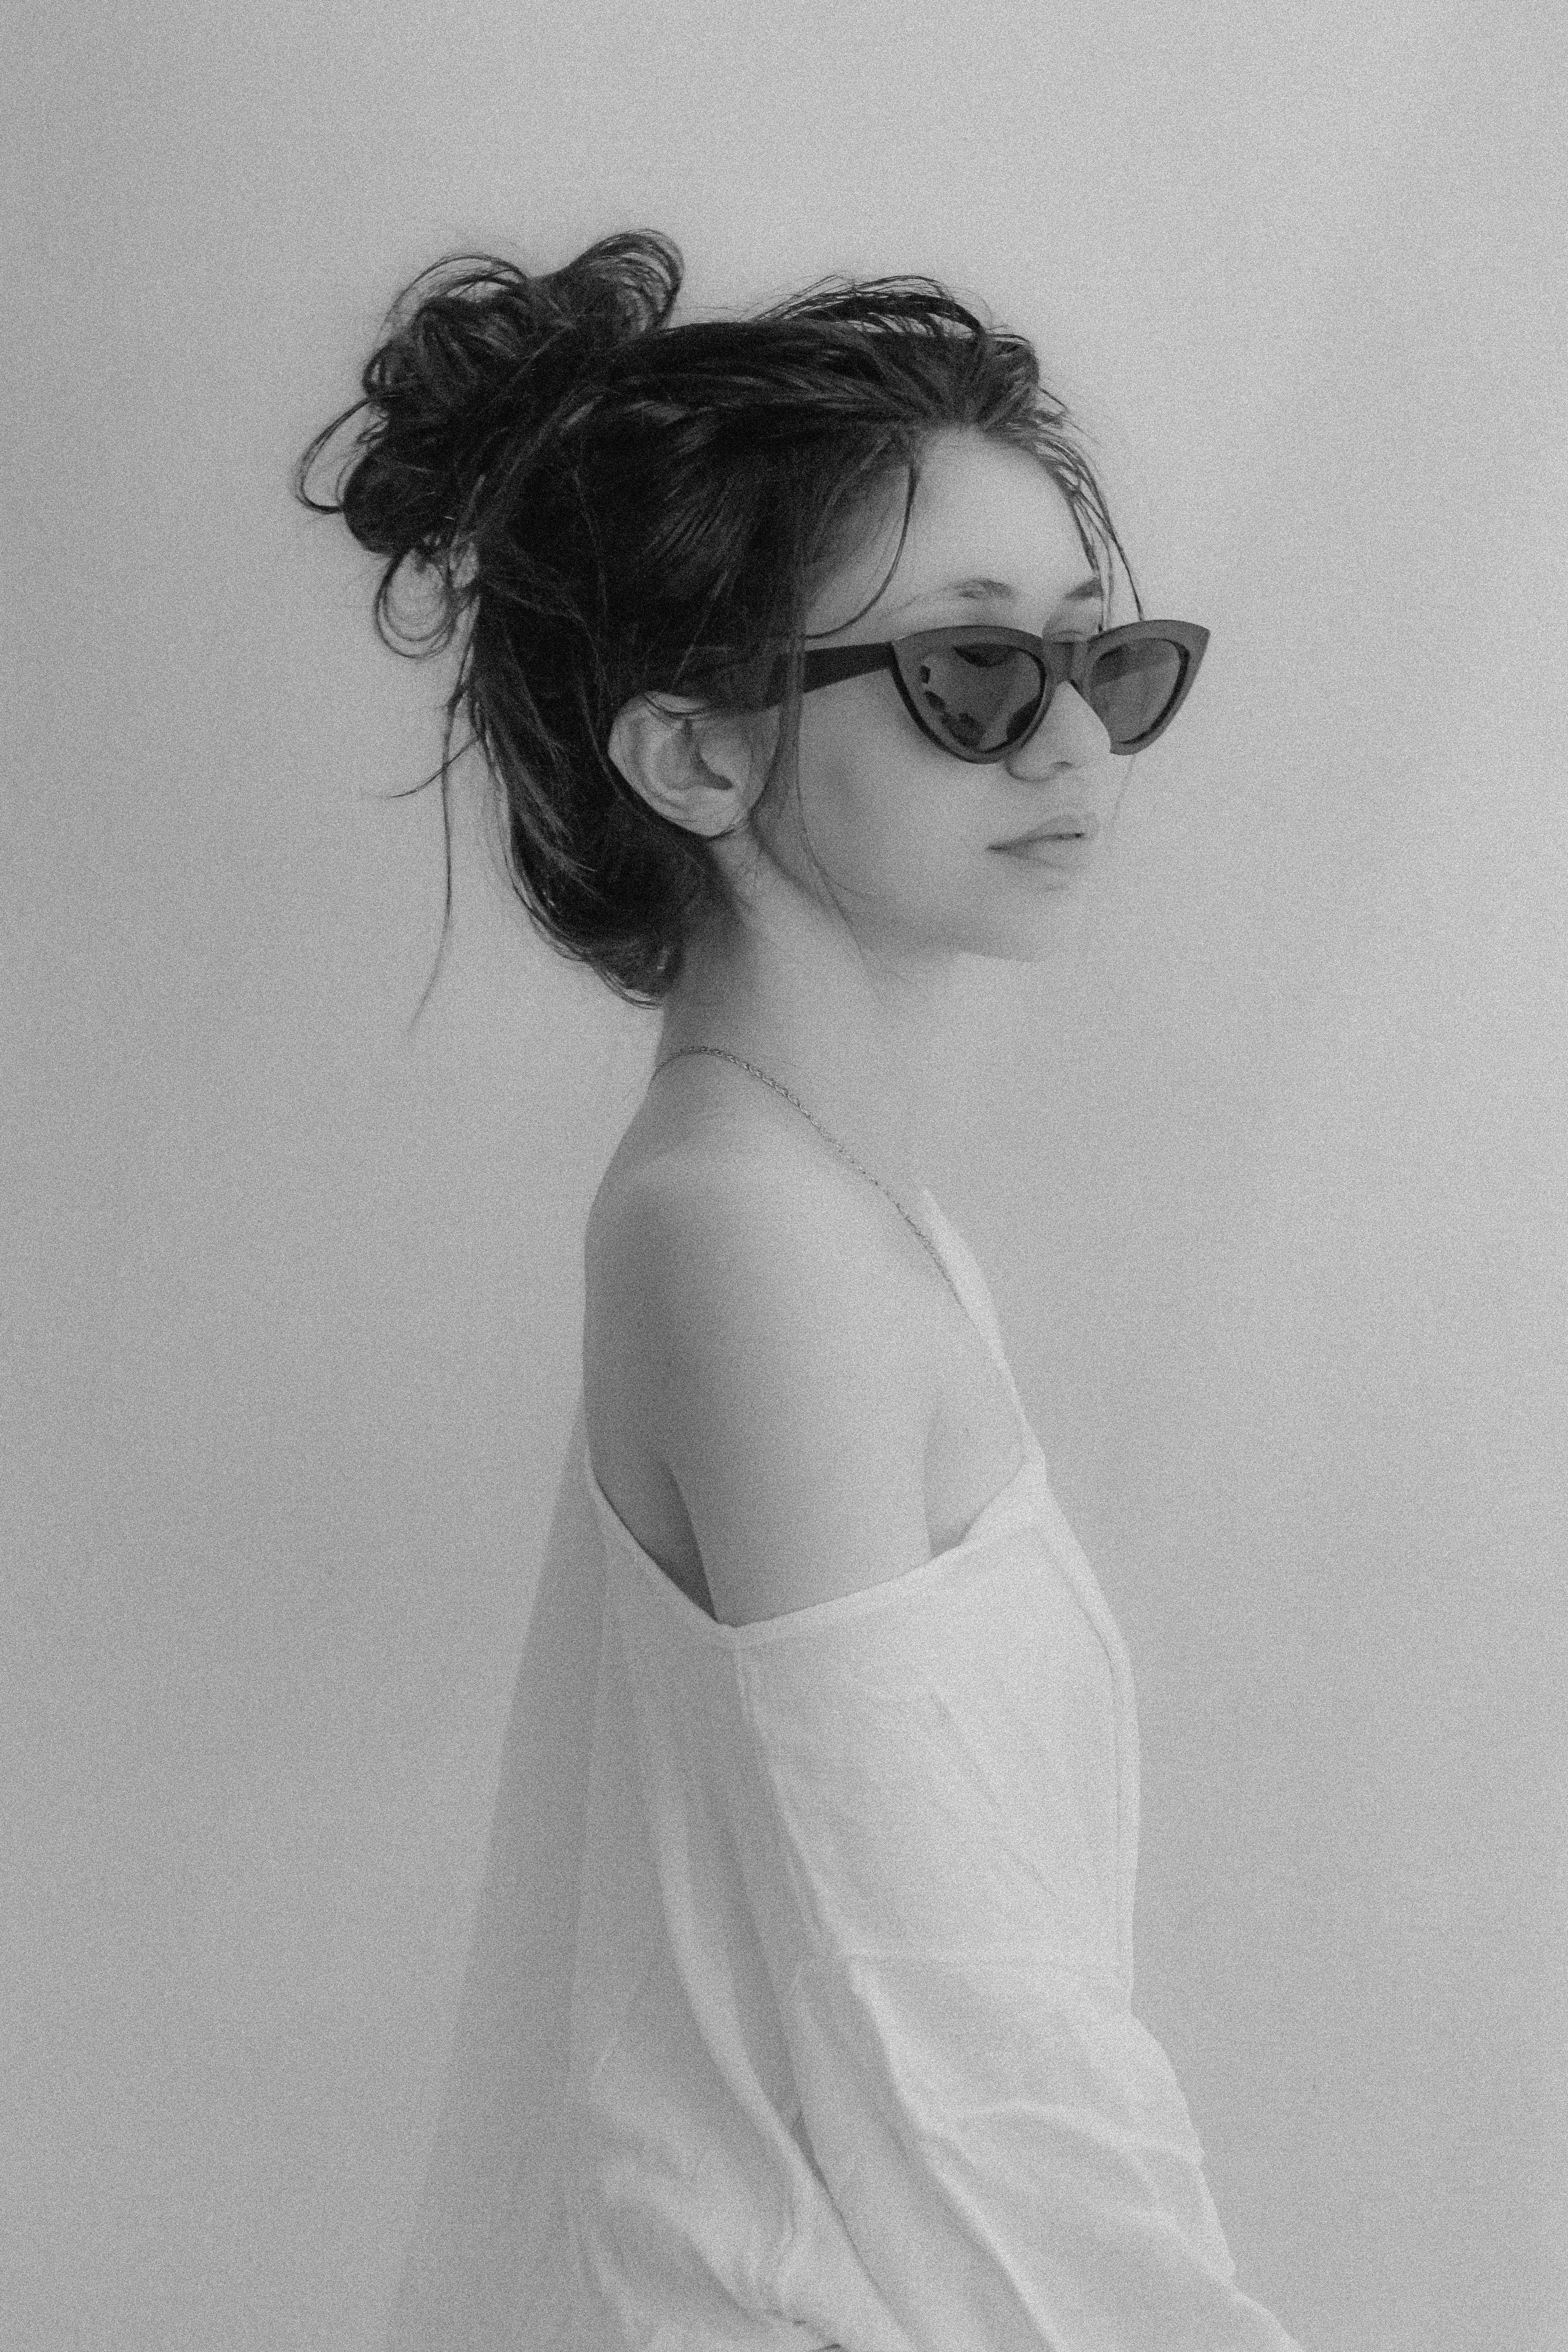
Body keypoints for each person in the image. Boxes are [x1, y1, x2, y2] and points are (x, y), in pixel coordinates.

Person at [298, 230, 1302, 2351]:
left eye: (1098, 662)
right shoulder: (740, 1235)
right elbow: (935, 2026)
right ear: (696, 756)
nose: (1071, 748)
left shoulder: (847, 1220)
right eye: (967, 678)